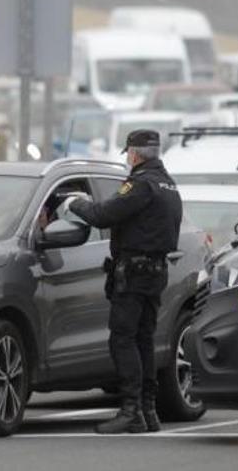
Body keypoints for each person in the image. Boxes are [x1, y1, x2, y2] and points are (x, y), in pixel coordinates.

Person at [58, 129, 183, 434]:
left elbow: (102, 215)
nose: (128, 158)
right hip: (154, 273)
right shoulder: (168, 184)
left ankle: (131, 411)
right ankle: (148, 411)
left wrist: (75, 203)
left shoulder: (140, 184)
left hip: (135, 273)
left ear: (135, 153)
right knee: (143, 340)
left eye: (129, 153)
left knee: (123, 339)